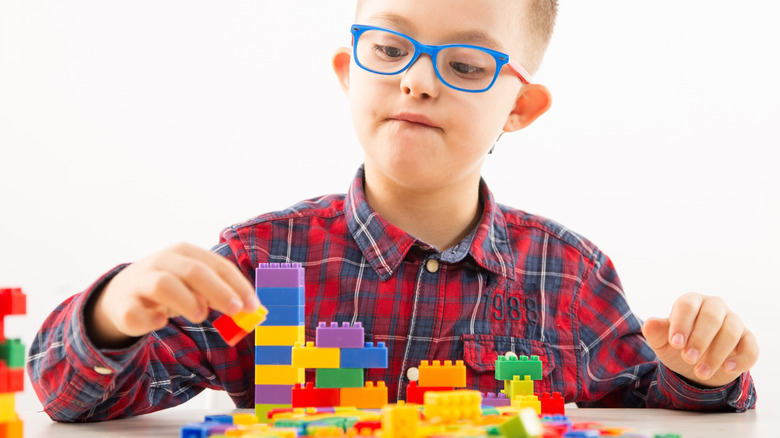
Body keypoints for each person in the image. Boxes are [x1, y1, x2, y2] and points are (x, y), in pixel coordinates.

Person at [27, 0, 757, 422]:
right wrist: (111, 314)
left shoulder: (569, 276)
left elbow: (667, 392)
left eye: (466, 65)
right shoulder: (261, 262)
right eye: (388, 48)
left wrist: (706, 365)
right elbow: (71, 397)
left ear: (520, 108)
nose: (416, 81)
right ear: (350, 73)